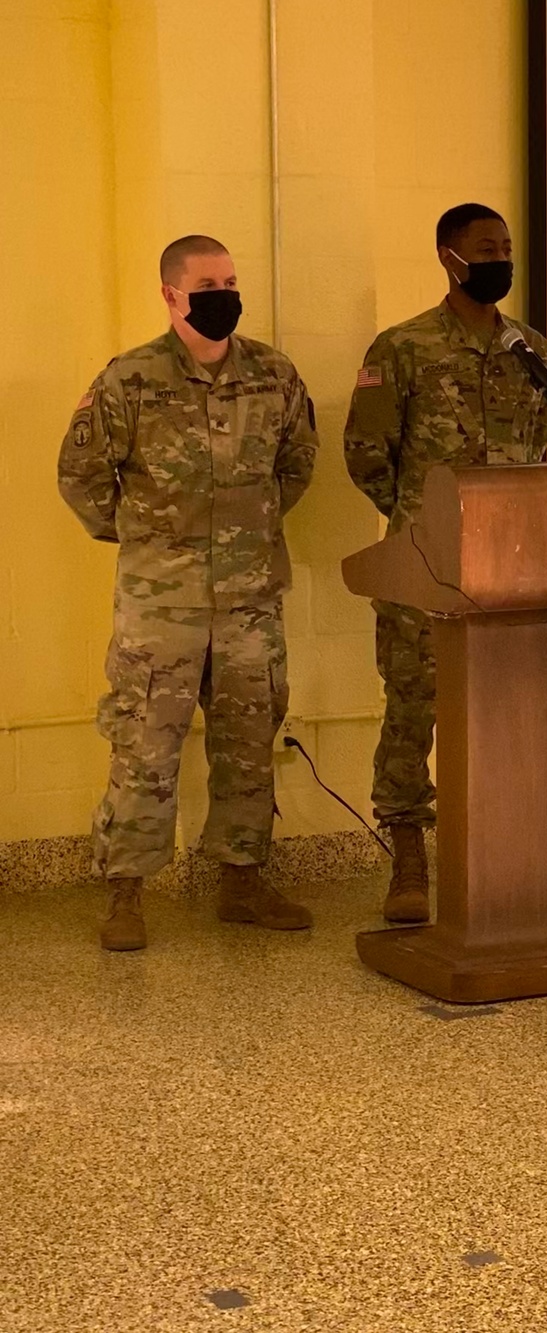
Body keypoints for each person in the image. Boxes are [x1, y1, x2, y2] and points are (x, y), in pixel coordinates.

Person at [58, 235, 319, 951]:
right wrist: (147, 540)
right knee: (144, 746)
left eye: (231, 280)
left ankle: (242, 881)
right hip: (159, 606)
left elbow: (297, 464)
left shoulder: (272, 375)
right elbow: (81, 478)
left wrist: (246, 533)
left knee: (247, 744)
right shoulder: (129, 381)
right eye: (207, 284)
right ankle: (125, 892)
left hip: (249, 598)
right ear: (171, 295)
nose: (223, 295)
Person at [343, 203, 547, 923]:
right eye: (485, 247)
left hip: (511, 571)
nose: (500, 257)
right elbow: (367, 455)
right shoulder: (401, 348)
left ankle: (509, 854)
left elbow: (538, 444)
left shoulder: (532, 349)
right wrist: (417, 521)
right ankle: (408, 855)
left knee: (510, 718)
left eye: (506, 246)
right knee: (413, 711)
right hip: (424, 570)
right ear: (448, 257)